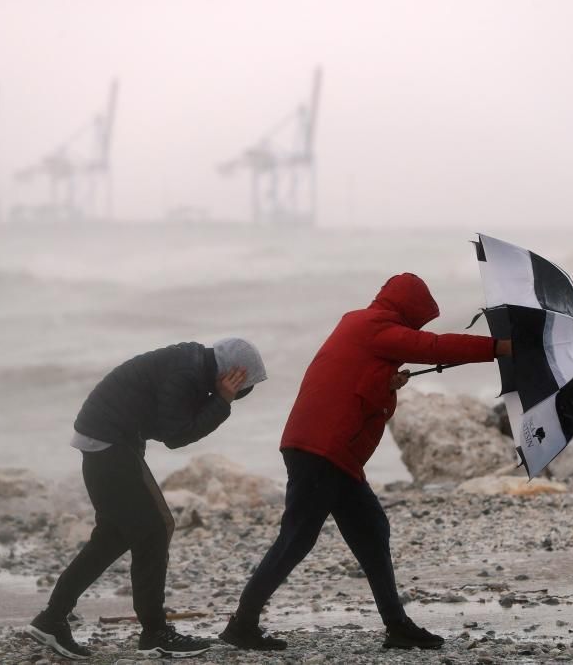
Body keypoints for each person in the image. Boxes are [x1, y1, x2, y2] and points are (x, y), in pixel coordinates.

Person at [219, 273, 511, 651]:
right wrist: (500, 347)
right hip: (321, 450)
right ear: (407, 309)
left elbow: (351, 384)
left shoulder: (359, 325)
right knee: (296, 539)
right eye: (417, 318)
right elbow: (435, 347)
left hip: (332, 453)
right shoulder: (374, 326)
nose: (417, 326)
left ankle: (398, 626)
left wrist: (384, 382)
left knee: (372, 530)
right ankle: (242, 624)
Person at [28, 339, 267, 660]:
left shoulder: (194, 367)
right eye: (242, 387)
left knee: (113, 537)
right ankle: (155, 633)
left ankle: (51, 618)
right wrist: (221, 401)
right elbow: (176, 435)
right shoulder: (187, 372)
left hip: (107, 441)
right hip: (108, 443)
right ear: (233, 373)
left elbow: (161, 421)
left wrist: (217, 398)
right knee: (156, 528)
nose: (241, 394)